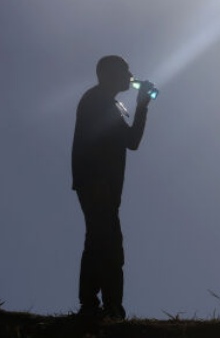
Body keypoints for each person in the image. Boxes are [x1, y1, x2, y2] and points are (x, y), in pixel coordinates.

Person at [71, 55, 153, 320]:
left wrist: (141, 107)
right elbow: (130, 141)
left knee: (99, 241)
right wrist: (142, 106)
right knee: (107, 243)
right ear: (109, 72)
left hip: (100, 185)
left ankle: (97, 307)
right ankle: (106, 308)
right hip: (97, 183)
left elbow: (131, 140)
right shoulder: (97, 100)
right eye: (125, 69)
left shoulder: (108, 103)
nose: (130, 74)